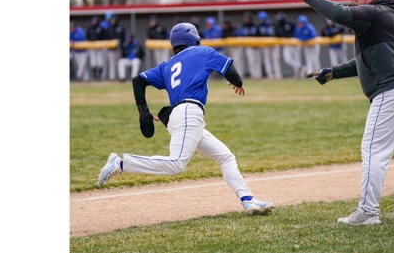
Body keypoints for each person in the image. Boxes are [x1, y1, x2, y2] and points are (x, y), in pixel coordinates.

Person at [289, 0, 394, 225]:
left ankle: (368, 212)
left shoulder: (374, 12)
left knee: (373, 150)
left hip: (393, 92)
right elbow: (368, 61)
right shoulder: (390, 16)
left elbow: (338, 12)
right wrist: (334, 72)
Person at [97, 22, 274, 216]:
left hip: (180, 117)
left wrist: (143, 111)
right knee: (176, 164)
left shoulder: (167, 64)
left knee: (225, 157)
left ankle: (248, 201)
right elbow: (231, 71)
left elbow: (138, 80)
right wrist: (237, 82)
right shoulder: (203, 52)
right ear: (194, 39)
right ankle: (121, 163)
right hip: (189, 113)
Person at [256, 11, 282, 79]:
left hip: (274, 43)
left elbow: (278, 33)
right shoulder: (259, 26)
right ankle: (270, 74)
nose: (262, 20)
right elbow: (257, 35)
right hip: (265, 45)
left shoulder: (272, 24)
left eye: (263, 18)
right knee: (267, 59)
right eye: (260, 18)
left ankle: (277, 73)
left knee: (276, 59)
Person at [275, 12, 299, 78]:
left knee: (296, 58)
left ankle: (297, 73)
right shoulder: (278, 26)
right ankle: (299, 67)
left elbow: (296, 32)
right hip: (286, 44)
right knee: (287, 59)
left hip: (294, 43)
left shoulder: (290, 24)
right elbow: (277, 35)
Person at [236, 12, 260, 79]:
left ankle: (258, 75)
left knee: (257, 61)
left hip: (256, 46)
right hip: (248, 46)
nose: (246, 19)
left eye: (247, 18)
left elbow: (258, 35)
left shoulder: (254, 26)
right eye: (245, 18)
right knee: (251, 61)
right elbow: (240, 36)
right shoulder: (242, 26)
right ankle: (253, 75)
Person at [104, 14, 127, 81]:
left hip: (119, 49)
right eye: (111, 20)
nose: (112, 21)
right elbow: (106, 37)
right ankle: (112, 77)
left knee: (119, 63)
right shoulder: (109, 28)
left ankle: (121, 76)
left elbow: (123, 38)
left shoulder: (120, 28)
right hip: (110, 48)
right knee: (112, 63)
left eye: (114, 20)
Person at [86, 16, 106, 80]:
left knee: (100, 62)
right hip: (92, 47)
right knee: (93, 62)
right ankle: (94, 76)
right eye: (92, 21)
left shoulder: (101, 28)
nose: (93, 23)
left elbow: (103, 37)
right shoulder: (89, 28)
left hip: (100, 47)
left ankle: (99, 76)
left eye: (95, 21)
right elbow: (87, 37)